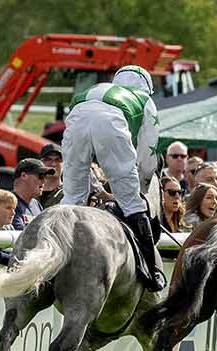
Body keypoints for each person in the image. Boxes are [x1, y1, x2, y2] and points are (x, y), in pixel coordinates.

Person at [58, 65, 165, 289]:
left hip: (77, 113)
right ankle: (151, 270)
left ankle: (56, 252)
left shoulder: (96, 88)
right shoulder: (145, 99)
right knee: (131, 202)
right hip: (111, 123)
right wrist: (143, 180)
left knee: (72, 198)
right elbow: (149, 150)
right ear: (147, 86)